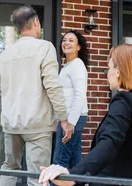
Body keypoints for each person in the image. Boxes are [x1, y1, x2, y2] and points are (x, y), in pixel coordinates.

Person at [38, 44, 132, 186]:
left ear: (118, 71)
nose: (107, 74)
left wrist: (73, 177)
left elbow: (109, 143)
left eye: (108, 68)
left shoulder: (123, 101)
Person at [0, 5, 71, 186]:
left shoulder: (5, 55)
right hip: (38, 124)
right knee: (38, 175)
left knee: (9, 168)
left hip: (11, 124)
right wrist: (64, 119)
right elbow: (53, 86)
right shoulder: (44, 48)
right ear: (36, 22)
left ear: (17, 28)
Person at [53, 30, 89, 170]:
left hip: (71, 119)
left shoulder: (77, 65)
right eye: (64, 40)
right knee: (75, 164)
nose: (66, 43)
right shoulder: (68, 66)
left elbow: (80, 95)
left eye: (71, 40)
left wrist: (70, 123)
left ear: (78, 47)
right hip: (70, 118)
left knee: (59, 163)